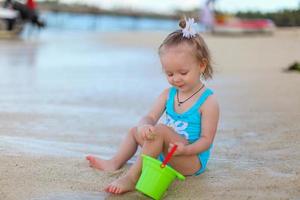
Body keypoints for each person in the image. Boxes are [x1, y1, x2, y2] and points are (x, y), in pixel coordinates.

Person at [86, 18, 219, 195]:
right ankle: (115, 162)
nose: (176, 79)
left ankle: (132, 178)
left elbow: (206, 140)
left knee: (161, 130)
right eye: (169, 74)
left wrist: (186, 150)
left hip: (189, 158)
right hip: (163, 150)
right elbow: (150, 117)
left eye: (183, 72)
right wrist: (144, 127)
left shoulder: (208, 102)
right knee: (136, 131)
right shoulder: (168, 94)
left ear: (201, 65)